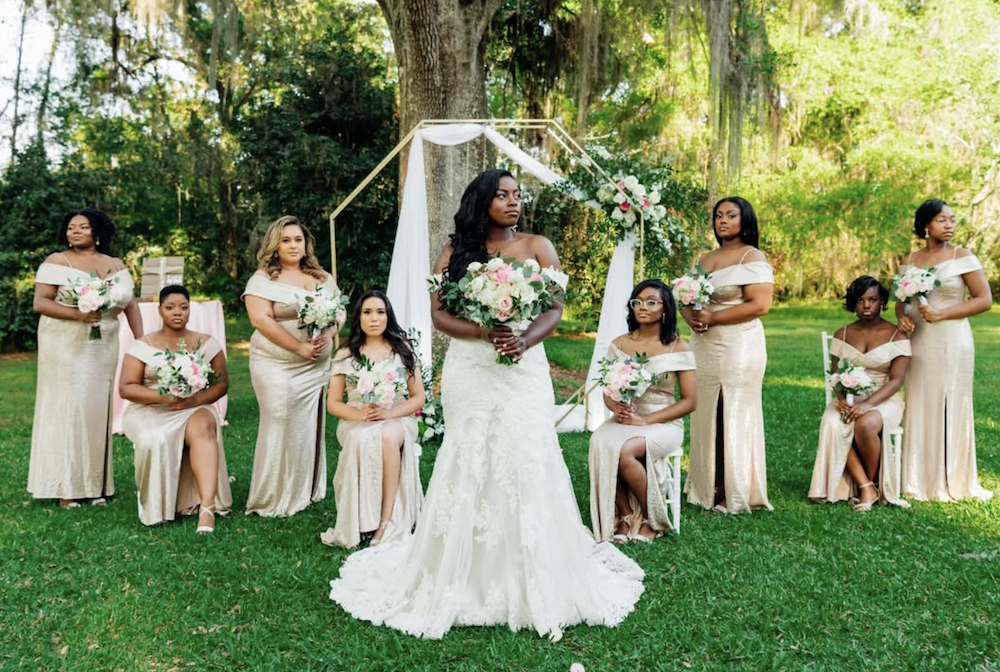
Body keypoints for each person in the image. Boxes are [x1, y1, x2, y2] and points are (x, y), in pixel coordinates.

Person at [328, 169, 644, 641]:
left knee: (528, 449)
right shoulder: (454, 252)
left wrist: (523, 339)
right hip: (472, 368)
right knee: (470, 450)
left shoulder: (539, 246)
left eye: (517, 194)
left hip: (524, 368)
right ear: (481, 202)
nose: (513, 202)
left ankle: (532, 565)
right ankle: (463, 565)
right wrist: (483, 332)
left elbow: (554, 309)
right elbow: (439, 313)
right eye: (502, 195)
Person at [28, 209, 143, 508]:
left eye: (83, 226)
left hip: (103, 345)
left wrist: (142, 342)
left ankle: (95, 486)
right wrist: (78, 315)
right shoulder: (56, 261)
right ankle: (66, 487)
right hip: (64, 343)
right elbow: (41, 302)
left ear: (98, 231)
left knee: (96, 410)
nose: (75, 231)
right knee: (70, 409)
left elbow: (130, 305)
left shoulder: (115, 264)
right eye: (70, 227)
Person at [243, 215, 342, 517]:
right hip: (275, 363)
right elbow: (260, 319)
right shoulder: (262, 279)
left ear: (306, 243)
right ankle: (270, 496)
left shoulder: (321, 277)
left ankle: (303, 490)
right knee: (279, 419)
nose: (293, 245)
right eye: (286, 240)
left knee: (305, 425)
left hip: (314, 369)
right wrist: (299, 347)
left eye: (298, 239)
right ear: (275, 245)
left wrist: (328, 334)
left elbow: (339, 312)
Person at [896, 200, 993, 502]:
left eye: (952, 219)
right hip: (920, 340)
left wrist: (943, 313)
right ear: (926, 224)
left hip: (953, 340)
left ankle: (953, 477)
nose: (949, 225)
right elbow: (902, 301)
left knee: (951, 400)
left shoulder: (962, 256)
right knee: (920, 399)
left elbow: (984, 300)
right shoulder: (911, 259)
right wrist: (902, 317)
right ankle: (917, 475)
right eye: (942, 220)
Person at [682, 196, 774, 514]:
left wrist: (714, 317)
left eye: (731, 215)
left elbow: (760, 305)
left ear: (744, 219)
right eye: (718, 215)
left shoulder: (752, 256)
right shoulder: (705, 258)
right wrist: (691, 318)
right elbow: (685, 296)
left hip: (739, 343)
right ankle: (707, 484)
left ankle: (733, 489)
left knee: (731, 409)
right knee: (706, 412)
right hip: (704, 345)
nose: (722, 220)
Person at [588, 280, 696, 542]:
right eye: (637, 302)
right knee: (599, 442)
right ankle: (626, 517)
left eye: (651, 302)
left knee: (625, 451)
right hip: (625, 419)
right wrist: (616, 406)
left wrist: (646, 419)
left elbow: (690, 402)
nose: (642, 307)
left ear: (665, 308)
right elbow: (607, 391)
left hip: (663, 421)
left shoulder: (678, 347)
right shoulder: (619, 344)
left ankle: (651, 519)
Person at [119, 285, 233, 530]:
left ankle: (207, 508)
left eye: (183, 307)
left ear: (190, 310)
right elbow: (126, 388)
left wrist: (194, 401)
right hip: (148, 408)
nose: (177, 312)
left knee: (203, 428)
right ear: (160, 311)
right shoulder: (143, 345)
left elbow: (222, 384)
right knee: (153, 438)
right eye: (170, 307)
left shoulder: (206, 343)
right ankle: (156, 504)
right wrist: (165, 397)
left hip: (192, 405)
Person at [322, 290, 426, 549]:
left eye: (380, 312)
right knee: (362, 436)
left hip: (396, 415)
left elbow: (418, 398)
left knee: (389, 434)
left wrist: (390, 413)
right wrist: (361, 414)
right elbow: (334, 403)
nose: (374, 318)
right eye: (367, 312)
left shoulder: (402, 349)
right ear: (359, 317)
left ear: (388, 316)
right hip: (357, 417)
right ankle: (361, 518)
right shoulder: (346, 354)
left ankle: (385, 520)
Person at [809, 276, 910, 510]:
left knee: (865, 423)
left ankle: (870, 482)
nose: (866, 305)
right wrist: (841, 400)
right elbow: (836, 376)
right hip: (849, 398)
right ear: (852, 303)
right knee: (833, 422)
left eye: (872, 300)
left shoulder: (897, 335)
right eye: (860, 300)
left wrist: (867, 405)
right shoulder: (842, 334)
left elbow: (896, 381)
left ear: (882, 301)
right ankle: (867, 487)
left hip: (885, 398)